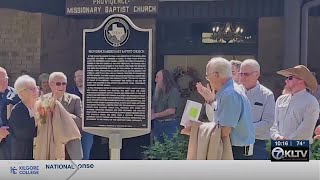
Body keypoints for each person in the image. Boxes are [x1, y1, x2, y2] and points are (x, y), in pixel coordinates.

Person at [195, 57, 255, 160]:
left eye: (207, 77)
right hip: (233, 149)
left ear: (216, 75)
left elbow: (225, 130)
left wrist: (196, 129)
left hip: (236, 152)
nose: (208, 81)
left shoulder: (230, 94)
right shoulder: (227, 92)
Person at [271, 65, 319, 146]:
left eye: (290, 78)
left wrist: (288, 140)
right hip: (279, 145)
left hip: (300, 146)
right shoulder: (280, 99)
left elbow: (307, 128)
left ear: (301, 81)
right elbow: (273, 122)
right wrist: (277, 136)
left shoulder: (311, 101)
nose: (286, 81)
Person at [239, 59, 275, 160]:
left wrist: (245, 128)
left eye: (246, 74)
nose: (242, 78)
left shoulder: (267, 95)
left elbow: (268, 122)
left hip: (258, 144)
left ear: (257, 74)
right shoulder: (235, 92)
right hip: (237, 142)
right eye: (241, 74)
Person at [47, 72, 83, 160]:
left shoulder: (75, 100)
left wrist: (63, 113)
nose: (62, 86)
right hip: (50, 146)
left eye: (64, 83)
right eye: (58, 84)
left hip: (70, 148)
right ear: (50, 84)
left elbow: (81, 122)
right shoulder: (43, 100)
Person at [8, 75, 38, 160]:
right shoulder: (17, 110)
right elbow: (24, 133)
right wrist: (38, 118)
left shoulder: (39, 106)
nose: (35, 91)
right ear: (21, 93)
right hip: (22, 156)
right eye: (31, 89)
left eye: (36, 88)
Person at [67, 69, 93, 160]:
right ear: (74, 79)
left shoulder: (92, 90)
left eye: (82, 76)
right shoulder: (69, 91)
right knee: (74, 154)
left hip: (87, 128)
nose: (80, 78)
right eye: (77, 76)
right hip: (73, 128)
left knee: (86, 154)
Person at [151, 69, 180, 142]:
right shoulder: (157, 92)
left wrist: (155, 115)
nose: (155, 80)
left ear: (164, 78)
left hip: (169, 124)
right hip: (157, 124)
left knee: (170, 148)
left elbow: (172, 110)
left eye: (157, 77)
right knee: (157, 148)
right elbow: (153, 106)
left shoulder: (173, 91)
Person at [0, 67, 20, 159]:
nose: (3, 82)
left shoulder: (16, 95)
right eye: (0, 80)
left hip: (11, 139)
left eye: (5, 79)